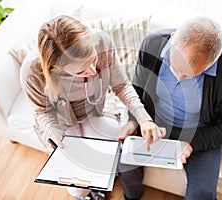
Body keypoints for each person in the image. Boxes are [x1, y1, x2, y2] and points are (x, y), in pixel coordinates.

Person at [20, 15, 164, 200]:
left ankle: (103, 187)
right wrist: (55, 138)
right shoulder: (32, 72)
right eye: (80, 71)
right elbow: (42, 111)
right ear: (56, 67)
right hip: (62, 125)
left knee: (118, 154)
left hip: (97, 112)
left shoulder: (101, 41)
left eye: (93, 60)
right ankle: (87, 195)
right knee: (78, 187)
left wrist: (144, 119)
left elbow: (121, 86)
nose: (93, 71)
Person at [118, 16, 222, 199]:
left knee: (203, 193)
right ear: (172, 38)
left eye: (188, 75)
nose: (178, 77)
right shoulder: (152, 44)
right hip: (153, 121)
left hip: (201, 131)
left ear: (212, 63)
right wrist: (134, 120)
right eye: (174, 66)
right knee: (125, 165)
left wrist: (192, 143)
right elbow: (137, 90)